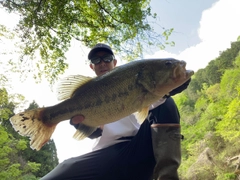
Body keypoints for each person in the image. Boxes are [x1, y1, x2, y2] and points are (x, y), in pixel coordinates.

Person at [41, 43, 191, 180]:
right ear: (92, 67)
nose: (102, 63)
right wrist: (82, 126)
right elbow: (94, 133)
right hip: (105, 158)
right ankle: (45, 119)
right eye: (96, 60)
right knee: (60, 173)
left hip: (138, 149)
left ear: (115, 62)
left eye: (107, 58)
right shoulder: (84, 93)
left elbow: (160, 105)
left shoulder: (140, 85)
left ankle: (167, 176)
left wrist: (171, 86)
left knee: (166, 101)